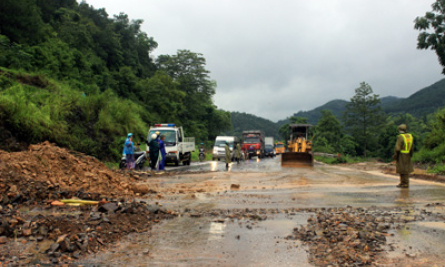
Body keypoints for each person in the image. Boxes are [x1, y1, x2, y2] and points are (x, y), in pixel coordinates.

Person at [393, 124, 414, 188]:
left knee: (402, 169)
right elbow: (412, 147)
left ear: (399, 129)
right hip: (408, 154)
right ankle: (402, 182)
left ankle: (405, 183)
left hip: (401, 155)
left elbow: (397, 148)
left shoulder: (400, 137)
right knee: (405, 169)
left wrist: (395, 155)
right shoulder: (410, 136)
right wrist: (411, 154)